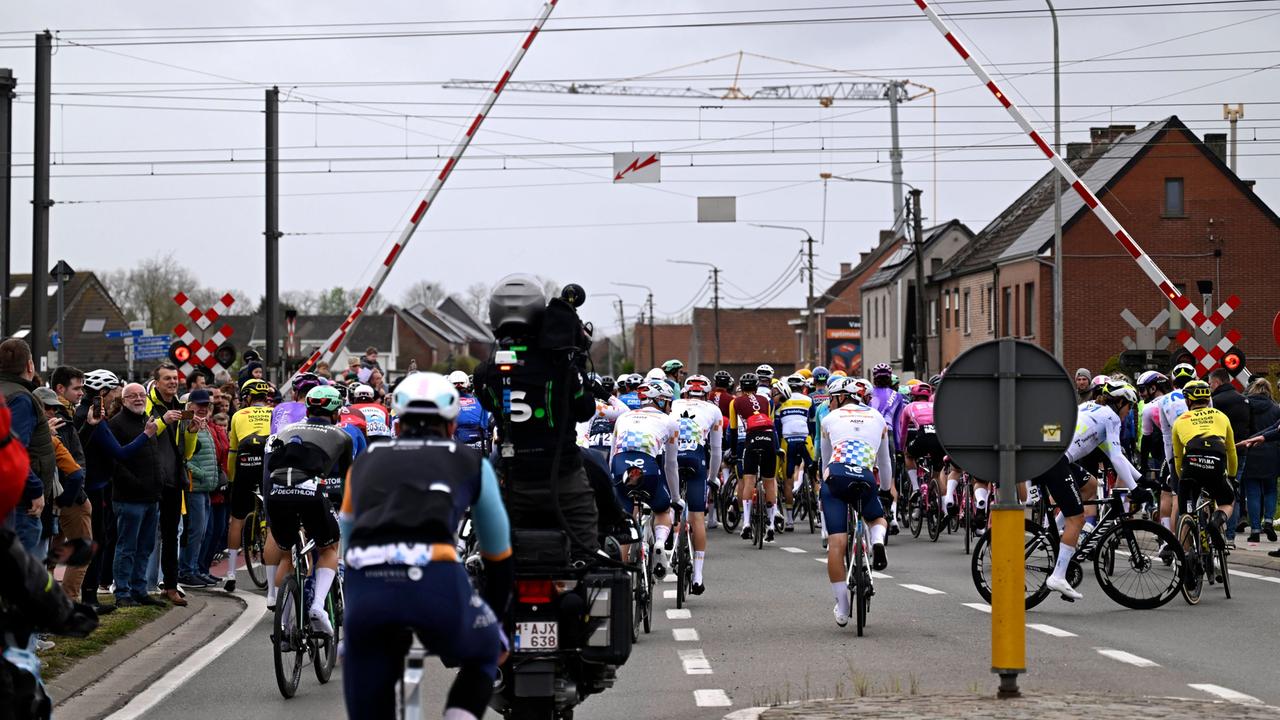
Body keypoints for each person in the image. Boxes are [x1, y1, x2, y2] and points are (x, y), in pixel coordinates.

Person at [338, 372, 511, 720]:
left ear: (397, 424)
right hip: (434, 579)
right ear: (451, 425)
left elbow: (349, 545)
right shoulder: (469, 460)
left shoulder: (366, 460)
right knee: (488, 649)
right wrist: (494, 622)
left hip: (370, 590)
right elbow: (498, 554)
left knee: (365, 678)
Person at [474, 275, 599, 558]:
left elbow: (491, 404)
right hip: (564, 479)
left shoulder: (485, 373)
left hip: (511, 480)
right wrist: (576, 360)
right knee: (586, 560)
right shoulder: (562, 366)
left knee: (491, 558)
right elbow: (585, 410)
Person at [1037, 380, 1142, 601]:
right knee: (1077, 519)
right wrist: (1136, 489)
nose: (1129, 412)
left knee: (1091, 485)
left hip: (1051, 453)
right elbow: (1116, 458)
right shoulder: (1111, 417)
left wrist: (1141, 479)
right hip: (1056, 460)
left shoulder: (1091, 407)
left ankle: (1052, 532)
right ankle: (1058, 576)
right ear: (1120, 402)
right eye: (1129, 406)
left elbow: (1115, 455)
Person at [263, 385, 353, 633]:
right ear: (335, 412)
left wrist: (269, 512)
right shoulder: (342, 435)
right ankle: (317, 606)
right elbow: (349, 479)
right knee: (328, 548)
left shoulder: (284, 431)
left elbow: (268, 473)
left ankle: (283, 626)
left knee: (287, 555)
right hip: (311, 492)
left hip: (276, 494)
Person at [819, 376, 892, 627]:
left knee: (836, 543)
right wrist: (885, 490)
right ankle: (878, 541)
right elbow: (885, 462)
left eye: (831, 398)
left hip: (837, 475)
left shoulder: (829, 419)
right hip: (865, 476)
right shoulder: (878, 418)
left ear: (841, 397)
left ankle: (842, 607)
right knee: (877, 518)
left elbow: (825, 460)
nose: (829, 403)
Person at [610, 379, 680, 576]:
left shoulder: (623, 417)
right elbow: (670, 465)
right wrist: (675, 498)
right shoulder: (670, 421)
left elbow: (613, 454)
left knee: (625, 521)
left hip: (620, 466)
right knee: (662, 509)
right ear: (660, 400)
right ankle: (659, 543)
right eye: (669, 402)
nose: (670, 407)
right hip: (647, 466)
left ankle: (621, 573)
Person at [145, 363, 197, 606]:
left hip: (174, 478)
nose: (173, 382)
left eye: (175, 378)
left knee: (171, 534)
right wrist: (163, 421)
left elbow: (186, 451)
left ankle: (171, 586)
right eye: (167, 378)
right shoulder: (148, 404)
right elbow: (143, 436)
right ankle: (140, 585)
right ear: (156, 383)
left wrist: (192, 432)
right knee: (145, 533)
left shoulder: (180, 406)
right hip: (150, 478)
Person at [107, 384, 163, 607]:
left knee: (145, 546)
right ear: (123, 400)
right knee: (127, 547)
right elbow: (115, 462)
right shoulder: (116, 424)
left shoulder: (147, 420)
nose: (139, 399)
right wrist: (136, 484)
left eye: (142, 395)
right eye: (133, 396)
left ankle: (140, 589)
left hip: (151, 497)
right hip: (129, 498)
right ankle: (122, 592)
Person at [0, 339, 56, 558]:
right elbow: (13, 451)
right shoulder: (21, 398)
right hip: (20, 502)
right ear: (30, 366)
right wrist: (34, 489)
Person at [669, 374, 723, 594]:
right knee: (697, 517)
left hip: (672, 457)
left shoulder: (674, 404)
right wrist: (713, 477)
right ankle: (698, 576)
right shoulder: (713, 410)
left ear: (685, 392)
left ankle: (671, 543)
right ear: (707, 394)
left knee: (672, 505)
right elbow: (716, 451)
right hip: (695, 457)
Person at [222, 378, 274, 593]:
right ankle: (272, 578)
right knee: (271, 521)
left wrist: (231, 480)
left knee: (237, 519)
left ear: (248, 397)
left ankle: (230, 573)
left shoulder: (238, 415)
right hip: (269, 464)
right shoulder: (275, 412)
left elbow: (233, 451)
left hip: (246, 463)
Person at [1172, 380, 1237, 543]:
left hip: (1191, 466)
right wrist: (1231, 476)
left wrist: (1182, 478)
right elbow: (1231, 451)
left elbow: (1178, 457)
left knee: (1186, 515)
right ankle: (1216, 521)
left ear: (1188, 400)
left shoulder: (1179, 421)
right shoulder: (1221, 416)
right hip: (1216, 463)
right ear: (1208, 399)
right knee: (1228, 501)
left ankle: (1185, 553)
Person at [728, 372, 777, 543]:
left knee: (749, 480)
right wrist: (776, 448)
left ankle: (747, 523)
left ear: (741, 387)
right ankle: (771, 525)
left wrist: (734, 452)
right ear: (756, 387)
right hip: (769, 440)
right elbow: (772, 426)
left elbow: (733, 430)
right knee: (770, 482)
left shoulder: (735, 402)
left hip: (751, 440)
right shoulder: (766, 400)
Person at [177, 389, 219, 588]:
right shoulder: (187, 423)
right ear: (190, 405)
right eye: (199, 405)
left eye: (206, 405)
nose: (203, 408)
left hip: (205, 488)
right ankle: (186, 571)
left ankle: (194, 569)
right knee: (194, 531)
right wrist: (200, 473)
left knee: (202, 532)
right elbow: (183, 457)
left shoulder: (204, 424)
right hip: (194, 487)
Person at [1207, 368, 1250, 546]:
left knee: (1212, 491)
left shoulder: (1215, 401)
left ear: (1217, 382)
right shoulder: (1244, 400)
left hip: (1218, 451)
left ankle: (1214, 530)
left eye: (1210, 384)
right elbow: (1251, 426)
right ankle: (1230, 536)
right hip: (1240, 451)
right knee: (1233, 491)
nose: (1209, 387)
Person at [1236, 378, 1280, 545]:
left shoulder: (1246, 407)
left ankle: (1255, 530)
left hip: (1250, 450)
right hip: (1272, 453)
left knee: (1252, 492)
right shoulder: (1275, 408)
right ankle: (1268, 521)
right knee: (1270, 490)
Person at [775, 374, 813, 533]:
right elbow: (812, 422)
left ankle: (790, 521)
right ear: (803, 387)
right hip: (805, 439)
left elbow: (777, 427)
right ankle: (818, 514)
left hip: (787, 441)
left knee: (788, 480)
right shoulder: (809, 400)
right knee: (815, 474)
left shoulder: (781, 402)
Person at [449, 371, 492, 453]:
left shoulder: (447, 403)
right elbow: (486, 423)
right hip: (482, 442)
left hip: (457, 445)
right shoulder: (480, 401)